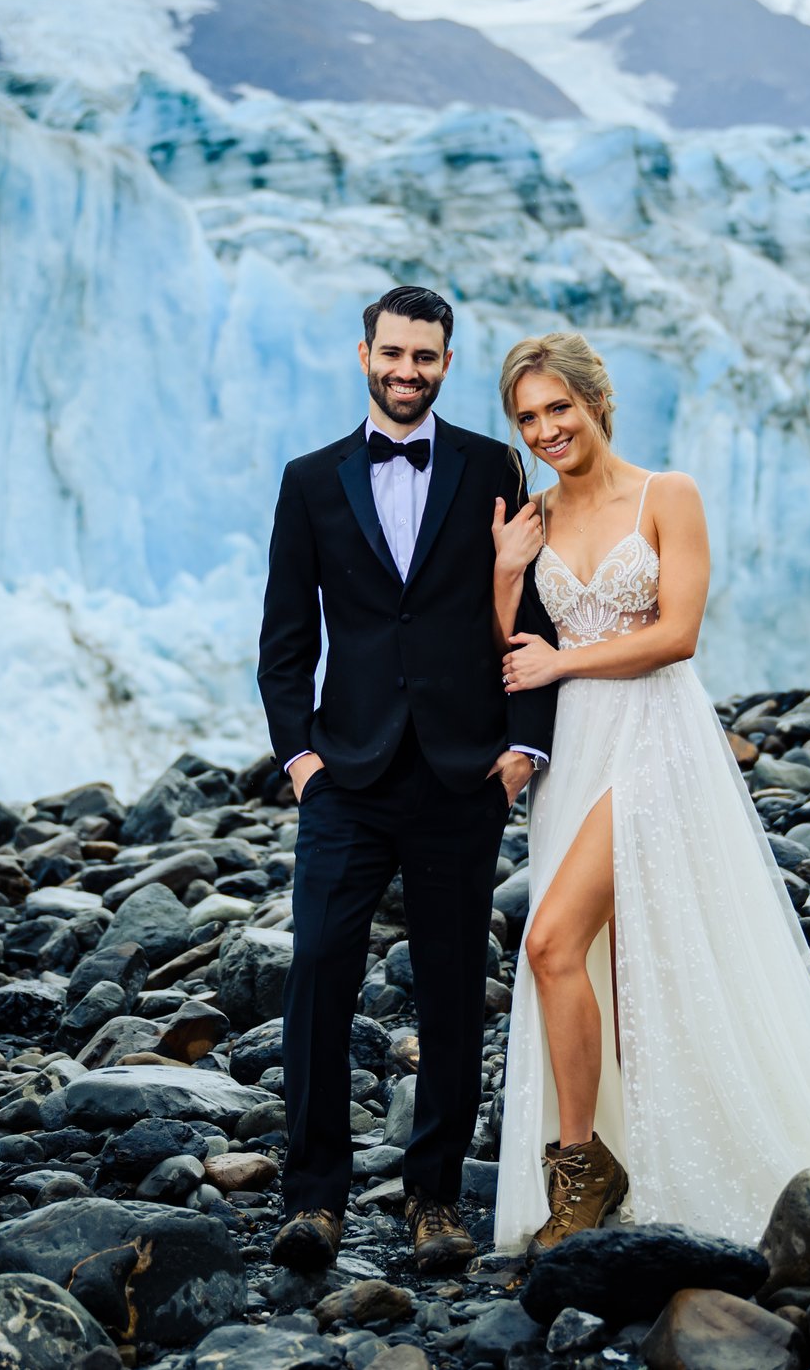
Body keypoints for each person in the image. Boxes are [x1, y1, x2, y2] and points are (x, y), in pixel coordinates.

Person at [487, 331, 810, 1252]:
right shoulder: (531, 517)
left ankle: (582, 1166)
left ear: (596, 401)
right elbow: (508, 657)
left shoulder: (669, 495)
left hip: (654, 737)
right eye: (528, 417)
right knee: (602, 960)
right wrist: (503, 574)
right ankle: (616, 1151)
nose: (545, 430)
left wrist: (563, 659)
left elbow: (678, 634)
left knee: (551, 940)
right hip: (575, 748)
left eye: (558, 409)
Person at [256, 285, 560, 1273]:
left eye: (425, 357)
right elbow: (284, 638)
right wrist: (299, 757)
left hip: (459, 774)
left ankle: (433, 1198)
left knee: (448, 988)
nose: (407, 371)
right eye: (392, 353)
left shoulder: (490, 465)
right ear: (363, 355)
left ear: (445, 360)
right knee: (317, 975)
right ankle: (313, 1197)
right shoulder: (309, 480)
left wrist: (524, 749)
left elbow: (530, 616)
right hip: (344, 774)